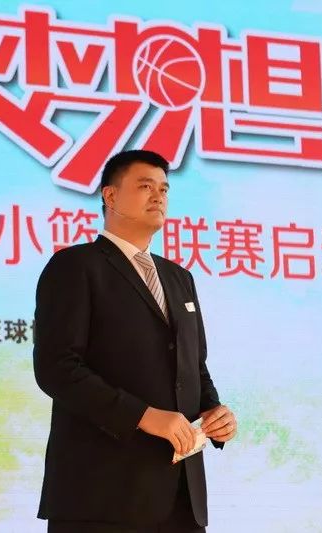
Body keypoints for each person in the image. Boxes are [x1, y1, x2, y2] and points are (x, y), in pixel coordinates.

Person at [33, 150, 237, 532]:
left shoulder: (180, 278)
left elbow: (194, 366)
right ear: (110, 196)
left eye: (164, 189)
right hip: (101, 497)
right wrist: (144, 416)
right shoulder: (76, 266)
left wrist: (213, 410)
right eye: (145, 186)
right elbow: (57, 369)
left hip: (181, 498)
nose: (158, 196)